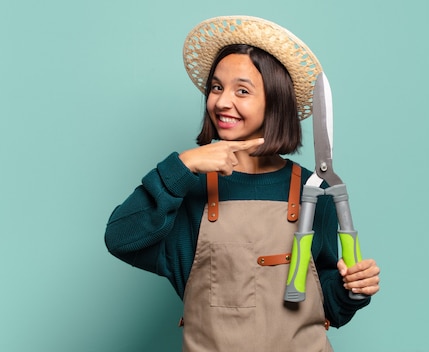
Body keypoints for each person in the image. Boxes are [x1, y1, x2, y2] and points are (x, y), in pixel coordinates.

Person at [105, 15, 380, 351]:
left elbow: (327, 308)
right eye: (217, 87)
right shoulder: (189, 188)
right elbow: (120, 239)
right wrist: (185, 164)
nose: (221, 101)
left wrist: (352, 288)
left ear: (275, 103)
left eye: (242, 91)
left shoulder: (314, 189)